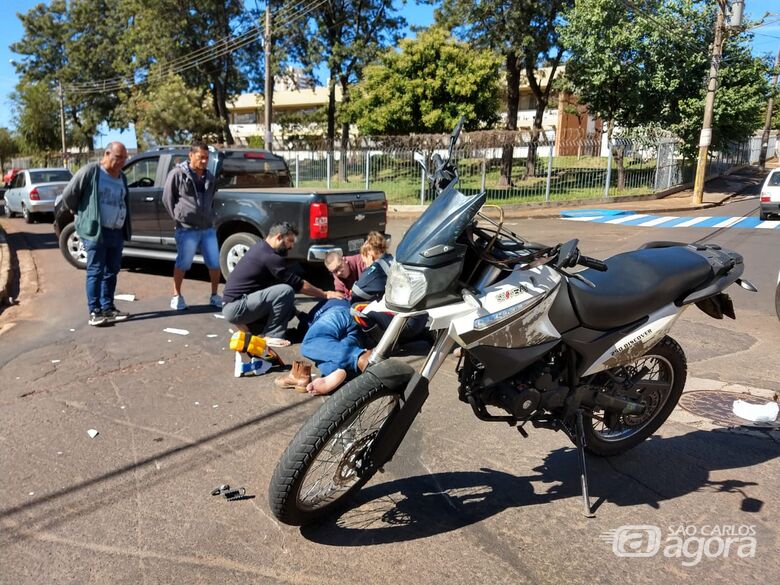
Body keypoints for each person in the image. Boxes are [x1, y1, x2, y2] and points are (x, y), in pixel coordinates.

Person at [295, 235, 392, 395]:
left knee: (310, 343)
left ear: (345, 260)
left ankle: (360, 357)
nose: (339, 273)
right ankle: (335, 372)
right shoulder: (338, 277)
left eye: (340, 267)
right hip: (357, 325)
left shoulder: (363, 261)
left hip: (341, 312)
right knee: (336, 348)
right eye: (334, 272)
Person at [221, 222, 344, 347]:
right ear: (279, 237)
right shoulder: (270, 256)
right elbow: (298, 284)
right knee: (285, 291)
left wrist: (298, 314)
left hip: (237, 305)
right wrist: (325, 294)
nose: (291, 246)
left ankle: (255, 330)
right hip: (236, 307)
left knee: (287, 308)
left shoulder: (260, 248)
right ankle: (272, 336)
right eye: (290, 241)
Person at [62, 142, 131, 327]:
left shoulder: (121, 176)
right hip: (95, 231)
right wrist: (81, 214)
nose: (121, 161)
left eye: (124, 158)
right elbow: (69, 194)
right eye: (118, 157)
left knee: (112, 271)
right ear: (107, 154)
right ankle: (95, 311)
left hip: (116, 230)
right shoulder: (91, 171)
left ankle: (108, 307)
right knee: (96, 271)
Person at [162, 142, 221, 310]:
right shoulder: (177, 174)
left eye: (206, 158)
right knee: (183, 263)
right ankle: (176, 296)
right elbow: (167, 199)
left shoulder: (209, 176)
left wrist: (212, 216)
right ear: (191, 155)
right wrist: (178, 217)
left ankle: (215, 295)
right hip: (187, 228)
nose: (204, 161)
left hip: (207, 228)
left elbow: (213, 199)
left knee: (215, 263)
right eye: (200, 157)